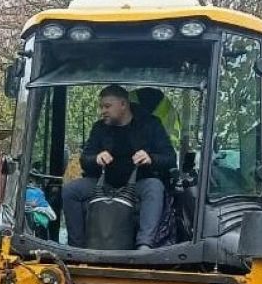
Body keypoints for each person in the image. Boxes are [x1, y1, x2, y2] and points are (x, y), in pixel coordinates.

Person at [61, 84, 176, 250]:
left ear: (123, 104)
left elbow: (170, 159)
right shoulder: (99, 127)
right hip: (105, 183)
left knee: (155, 187)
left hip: (138, 183)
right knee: (70, 190)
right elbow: (85, 159)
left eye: (107, 106)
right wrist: (96, 158)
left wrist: (150, 158)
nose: (102, 111)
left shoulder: (151, 125)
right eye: (101, 107)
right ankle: (76, 247)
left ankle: (144, 246)